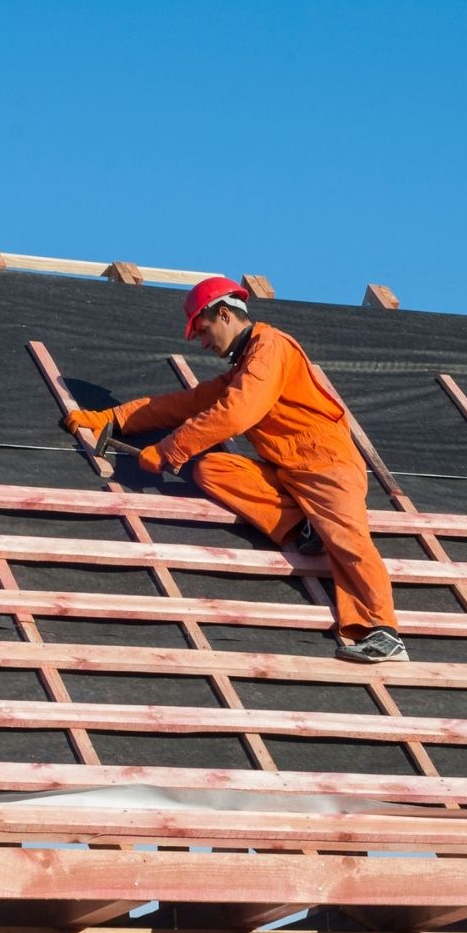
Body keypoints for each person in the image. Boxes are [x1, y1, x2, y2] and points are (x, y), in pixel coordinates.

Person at [64, 276, 405, 663]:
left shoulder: (270, 348)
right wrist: (112, 417)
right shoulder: (245, 366)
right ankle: (301, 526)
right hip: (287, 469)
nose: (203, 342)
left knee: (347, 537)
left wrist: (168, 449)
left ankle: (382, 631)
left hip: (325, 462)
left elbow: (238, 412)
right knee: (212, 469)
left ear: (224, 314)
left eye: (203, 330)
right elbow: (186, 403)